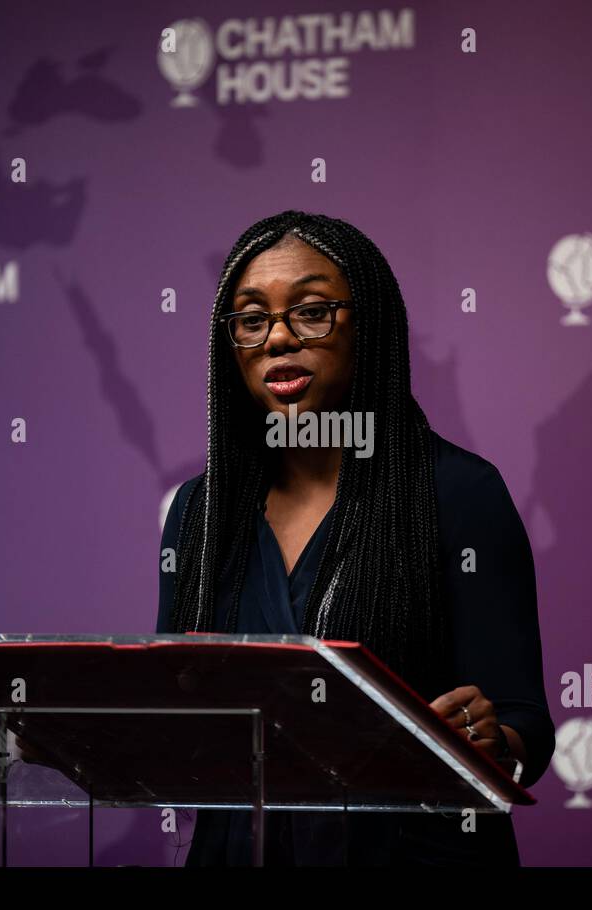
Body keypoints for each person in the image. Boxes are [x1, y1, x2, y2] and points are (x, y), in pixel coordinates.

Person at [156, 210, 556, 865]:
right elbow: (180, 709)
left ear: (367, 326)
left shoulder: (458, 494)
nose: (278, 338)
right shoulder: (200, 511)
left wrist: (494, 739)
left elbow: (523, 725)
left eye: (311, 311)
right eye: (252, 319)